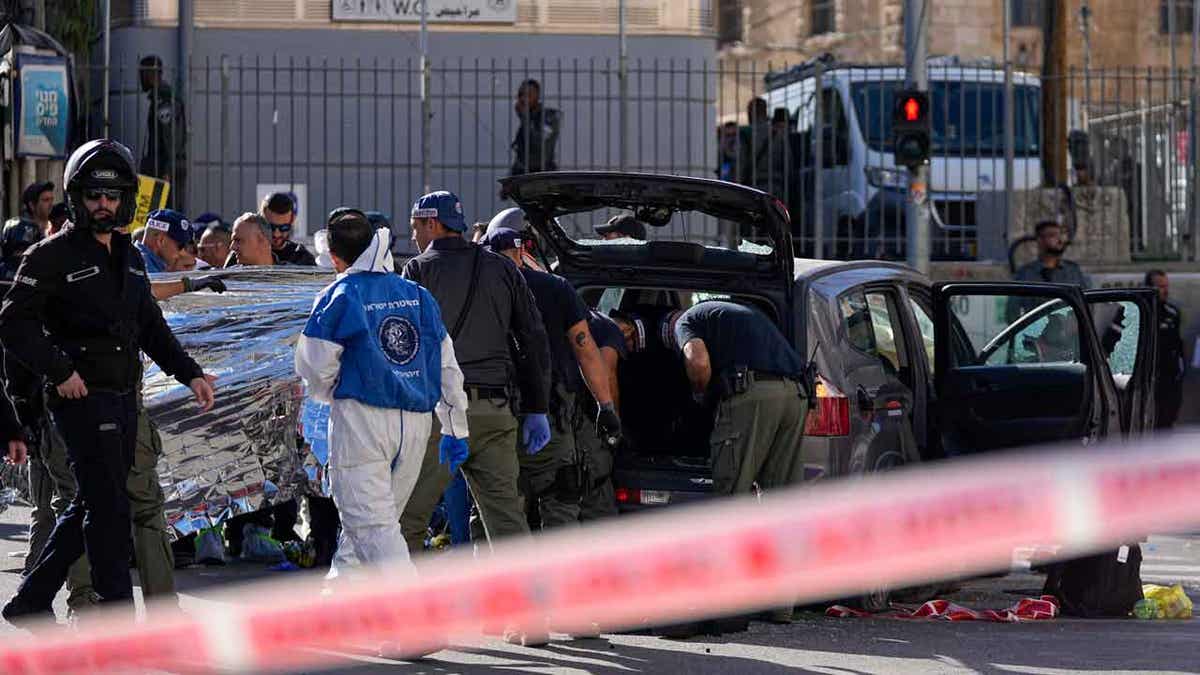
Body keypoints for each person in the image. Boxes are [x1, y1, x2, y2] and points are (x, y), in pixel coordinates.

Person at [0, 139, 215, 626]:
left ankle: (30, 601)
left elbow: (151, 328)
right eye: (95, 195)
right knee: (109, 510)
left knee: (92, 504)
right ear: (77, 197)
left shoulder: (131, 257)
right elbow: (12, 326)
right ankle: (116, 617)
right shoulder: (48, 256)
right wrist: (60, 371)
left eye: (112, 196)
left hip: (124, 401)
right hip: (78, 401)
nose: (104, 205)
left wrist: (191, 374)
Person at [295, 209, 469, 572]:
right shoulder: (416, 295)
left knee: (372, 528)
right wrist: (455, 426)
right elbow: (446, 364)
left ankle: (412, 619)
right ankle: (339, 615)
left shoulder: (339, 295)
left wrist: (329, 393)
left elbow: (313, 365)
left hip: (363, 421)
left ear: (334, 255)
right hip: (416, 425)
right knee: (367, 529)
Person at [399, 191, 552, 559]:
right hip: (495, 414)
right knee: (508, 526)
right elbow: (533, 339)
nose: (414, 236)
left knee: (404, 522)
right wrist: (537, 408)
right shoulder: (503, 268)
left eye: (416, 227)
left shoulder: (417, 271)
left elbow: (405, 347)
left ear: (432, 223)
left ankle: (400, 612)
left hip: (440, 417)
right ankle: (525, 613)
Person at [480, 223, 621, 530]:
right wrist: (606, 406)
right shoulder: (555, 288)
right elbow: (586, 351)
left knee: (494, 507)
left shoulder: (479, 292)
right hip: (550, 412)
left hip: (492, 412)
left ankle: (494, 575)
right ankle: (559, 575)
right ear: (522, 251)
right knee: (561, 497)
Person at [1008, 220, 1092, 321]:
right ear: (1040, 240)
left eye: (1060, 235)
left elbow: (1087, 305)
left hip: (1071, 335)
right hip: (1038, 333)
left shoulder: (1073, 271)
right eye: (1053, 235)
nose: (1059, 240)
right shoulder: (1026, 274)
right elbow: (1012, 312)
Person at [139, 55, 186, 208]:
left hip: (165, 169)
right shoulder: (158, 98)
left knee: (166, 214)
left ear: (150, 74)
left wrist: (167, 171)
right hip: (160, 167)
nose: (141, 79)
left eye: (143, 74)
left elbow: (171, 138)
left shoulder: (164, 100)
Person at [1146, 270, 1185, 429]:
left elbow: (1178, 345)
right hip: (1147, 380)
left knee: (1167, 423)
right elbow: (1111, 340)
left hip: (1168, 380)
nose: (1165, 290)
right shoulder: (1137, 312)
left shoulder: (1172, 313)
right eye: (1161, 286)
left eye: (1166, 286)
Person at [507, 79, 561, 183]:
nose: (523, 99)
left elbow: (539, 146)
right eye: (521, 94)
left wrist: (525, 118)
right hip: (525, 176)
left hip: (543, 177)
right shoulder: (528, 118)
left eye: (528, 94)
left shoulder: (548, 117)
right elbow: (523, 153)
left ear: (537, 96)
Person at [260, 192, 316, 266]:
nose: (277, 234)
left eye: (283, 228)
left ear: (292, 221)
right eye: (271, 227)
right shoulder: (248, 252)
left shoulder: (302, 258)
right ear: (260, 221)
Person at [136, 208, 193, 273]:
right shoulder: (143, 265)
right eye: (180, 246)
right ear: (160, 240)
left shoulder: (142, 261)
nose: (181, 253)